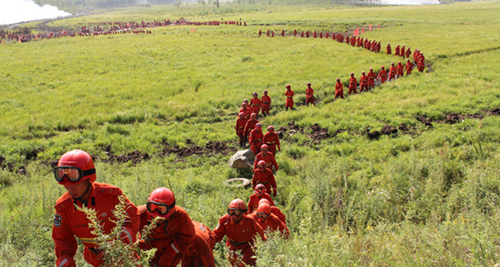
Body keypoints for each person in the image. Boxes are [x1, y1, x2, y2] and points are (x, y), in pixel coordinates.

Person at [52, 149, 139, 267]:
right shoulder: (63, 208)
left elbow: (132, 218)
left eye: (75, 184)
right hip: (95, 258)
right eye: (66, 185)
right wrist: (65, 263)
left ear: (89, 179)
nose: (70, 189)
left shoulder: (112, 195)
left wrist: (121, 245)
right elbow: (63, 243)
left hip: (123, 256)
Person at [138, 187, 196, 267]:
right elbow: (127, 233)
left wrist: (171, 252)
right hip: (146, 244)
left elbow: (189, 237)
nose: (157, 217)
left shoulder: (180, 216)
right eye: (154, 207)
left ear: (171, 209)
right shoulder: (139, 214)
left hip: (169, 246)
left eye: (162, 209)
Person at [213, 199, 266, 267]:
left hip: (247, 247)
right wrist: (209, 243)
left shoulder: (250, 221)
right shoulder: (224, 220)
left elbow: (260, 232)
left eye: (236, 212)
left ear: (242, 212)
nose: (233, 214)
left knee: (247, 264)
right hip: (232, 247)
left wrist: (265, 242)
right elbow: (216, 234)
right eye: (231, 211)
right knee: (234, 264)